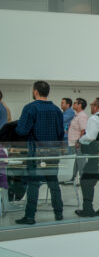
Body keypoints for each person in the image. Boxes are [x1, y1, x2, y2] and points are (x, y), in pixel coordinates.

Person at [15, 81, 64, 225]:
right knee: (53, 183)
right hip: (53, 152)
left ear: (35, 91)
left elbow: (22, 131)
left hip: (36, 153)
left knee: (33, 184)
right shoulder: (56, 110)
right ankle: (59, 213)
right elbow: (61, 133)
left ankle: (30, 216)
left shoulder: (30, 108)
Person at [63, 97, 89, 185]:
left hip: (78, 144)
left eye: (75, 103)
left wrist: (79, 142)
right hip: (73, 143)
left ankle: (83, 179)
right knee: (74, 162)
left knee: (80, 162)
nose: (73, 104)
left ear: (80, 105)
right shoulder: (76, 115)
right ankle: (72, 178)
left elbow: (84, 130)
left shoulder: (82, 116)